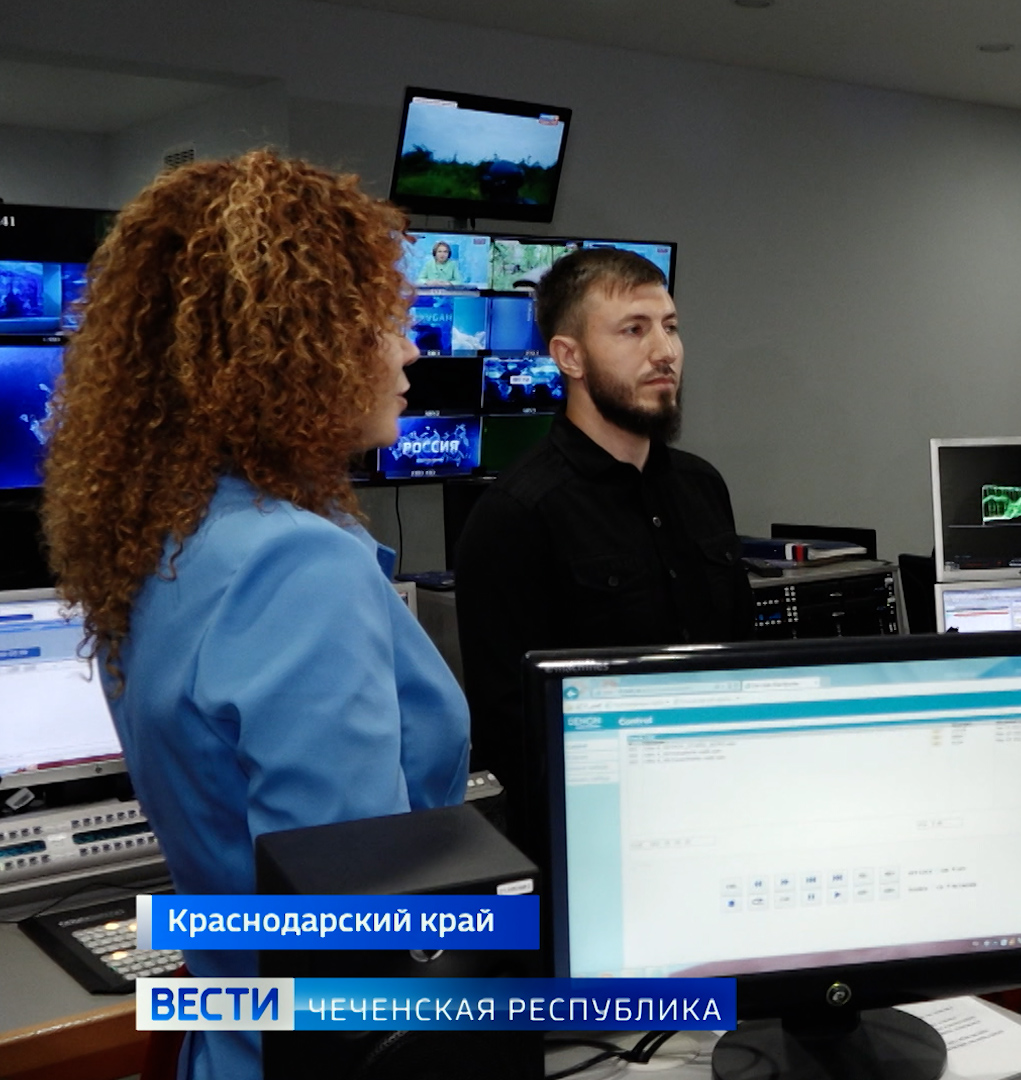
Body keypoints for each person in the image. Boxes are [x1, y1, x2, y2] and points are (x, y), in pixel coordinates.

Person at [38, 150, 469, 1080]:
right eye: (385, 323)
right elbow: (353, 929)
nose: (410, 352)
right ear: (300, 345)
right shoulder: (298, 567)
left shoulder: (163, 545)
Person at [455, 248, 751, 825]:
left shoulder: (702, 486)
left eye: (670, 327)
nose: (665, 351)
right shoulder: (516, 515)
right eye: (634, 330)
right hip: (601, 827)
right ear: (570, 356)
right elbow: (514, 732)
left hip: (727, 807)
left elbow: (746, 665)